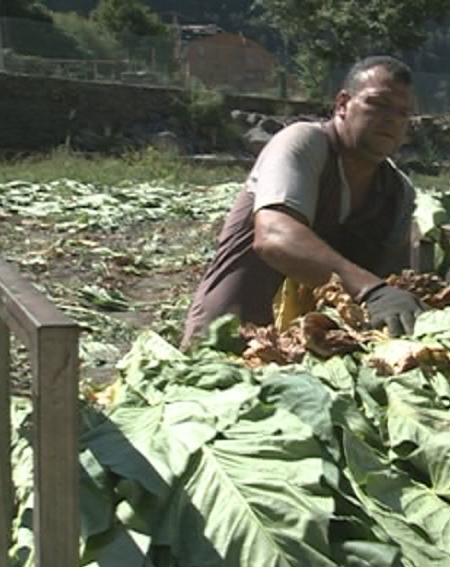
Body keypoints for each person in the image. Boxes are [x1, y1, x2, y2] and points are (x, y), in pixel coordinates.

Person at [181, 55, 425, 350]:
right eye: (378, 104)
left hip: (319, 350)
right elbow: (273, 236)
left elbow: (392, 282)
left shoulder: (397, 192)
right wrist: (370, 290)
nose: (391, 119)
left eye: (403, 113)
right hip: (230, 337)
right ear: (343, 104)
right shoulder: (303, 144)